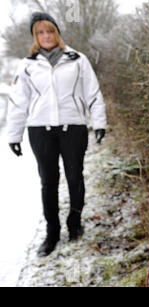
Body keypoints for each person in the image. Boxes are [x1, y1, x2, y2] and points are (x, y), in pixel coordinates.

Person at [6, 12, 107, 257]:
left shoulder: (78, 60)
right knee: (48, 182)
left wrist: (99, 122)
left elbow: (93, 93)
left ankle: (75, 223)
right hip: (41, 131)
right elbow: (18, 102)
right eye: (40, 32)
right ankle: (52, 233)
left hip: (73, 128)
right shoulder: (27, 64)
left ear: (57, 33)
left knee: (75, 177)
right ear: (35, 36)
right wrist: (14, 135)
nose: (46, 36)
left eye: (49, 31)